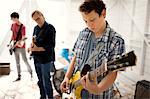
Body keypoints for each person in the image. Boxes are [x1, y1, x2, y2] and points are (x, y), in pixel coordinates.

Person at [60, 0, 125, 99]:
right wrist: (67, 77)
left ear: (103, 13)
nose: (89, 25)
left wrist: (98, 89)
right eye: (85, 21)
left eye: (92, 20)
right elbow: (75, 57)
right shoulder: (83, 33)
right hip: (77, 88)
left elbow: (113, 73)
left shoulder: (116, 40)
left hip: (99, 95)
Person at [28, 10, 56, 99]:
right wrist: (31, 47)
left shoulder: (50, 28)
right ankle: (42, 96)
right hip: (37, 59)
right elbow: (34, 41)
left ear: (42, 16)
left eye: (38, 18)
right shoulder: (36, 28)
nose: (37, 21)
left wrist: (37, 49)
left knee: (46, 82)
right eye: (35, 20)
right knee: (40, 81)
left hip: (46, 60)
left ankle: (50, 97)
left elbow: (51, 46)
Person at [8, 12, 33, 82]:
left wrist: (20, 43)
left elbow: (23, 37)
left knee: (25, 60)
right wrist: (10, 42)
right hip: (14, 46)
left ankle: (31, 73)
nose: (12, 20)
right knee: (17, 62)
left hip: (21, 46)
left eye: (12, 18)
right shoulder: (12, 25)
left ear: (16, 18)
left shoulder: (23, 27)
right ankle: (19, 76)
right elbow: (12, 35)